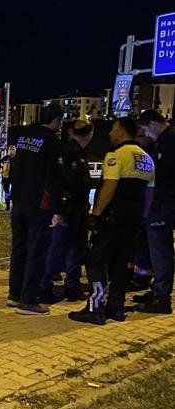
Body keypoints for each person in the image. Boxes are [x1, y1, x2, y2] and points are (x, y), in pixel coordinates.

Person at [68, 117, 154, 325]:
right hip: (134, 219)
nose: (109, 134)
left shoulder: (116, 155)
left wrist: (96, 215)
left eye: (113, 129)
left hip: (113, 217)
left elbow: (109, 187)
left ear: (122, 132)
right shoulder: (147, 159)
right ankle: (116, 308)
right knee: (122, 263)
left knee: (95, 259)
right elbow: (150, 194)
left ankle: (95, 307)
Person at [7, 108, 64, 316]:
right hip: (39, 205)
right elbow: (55, 178)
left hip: (19, 200)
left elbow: (13, 166)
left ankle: (14, 294)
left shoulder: (22, 137)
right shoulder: (52, 142)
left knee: (19, 249)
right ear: (56, 121)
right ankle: (28, 300)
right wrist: (57, 209)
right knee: (37, 252)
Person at [39, 120, 94, 303]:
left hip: (77, 209)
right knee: (58, 250)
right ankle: (44, 287)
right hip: (67, 208)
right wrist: (59, 210)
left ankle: (73, 287)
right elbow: (62, 183)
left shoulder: (78, 152)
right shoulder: (69, 152)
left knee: (75, 250)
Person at [134, 110, 175, 314]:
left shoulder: (169, 142)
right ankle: (157, 290)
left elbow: (160, 175)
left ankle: (162, 297)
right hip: (159, 204)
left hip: (163, 205)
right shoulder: (165, 141)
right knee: (156, 251)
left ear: (152, 124)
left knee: (161, 252)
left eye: (145, 130)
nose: (146, 136)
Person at [131, 125, 156, 290]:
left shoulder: (149, 158)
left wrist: (145, 213)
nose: (137, 140)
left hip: (150, 211)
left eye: (140, 136)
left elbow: (150, 189)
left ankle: (145, 276)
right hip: (142, 209)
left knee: (146, 246)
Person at [0, 145, 16, 211]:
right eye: (10, 149)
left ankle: (14, 205)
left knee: (15, 192)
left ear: (15, 151)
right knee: (7, 192)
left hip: (15, 178)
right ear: (8, 151)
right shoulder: (6, 158)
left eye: (13, 149)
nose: (11, 151)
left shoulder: (17, 158)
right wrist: (0, 169)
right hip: (6, 177)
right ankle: (7, 205)